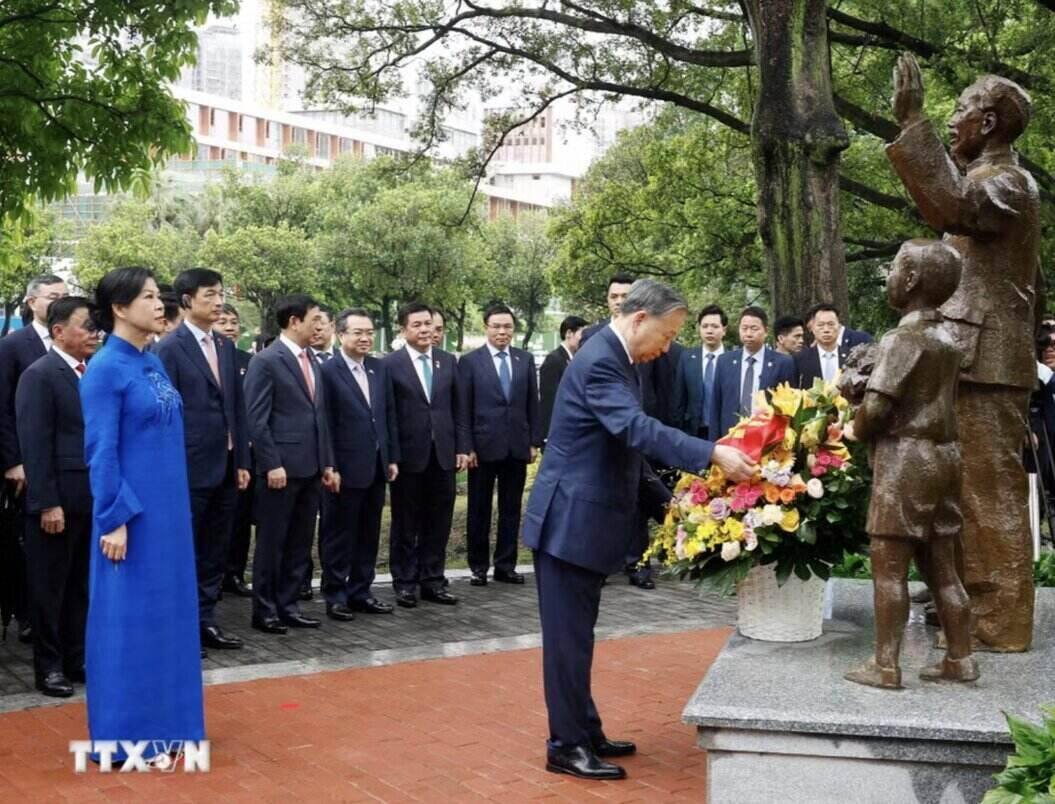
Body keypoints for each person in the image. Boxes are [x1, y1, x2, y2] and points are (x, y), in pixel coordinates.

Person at [523, 279, 756, 781]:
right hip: (568, 524)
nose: (667, 347)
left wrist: (668, 503)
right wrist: (710, 453)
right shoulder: (603, 360)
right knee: (568, 642)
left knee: (577, 637)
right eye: (667, 335)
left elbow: (625, 448)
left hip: (583, 522)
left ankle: (583, 728)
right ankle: (565, 744)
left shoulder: (619, 357)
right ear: (639, 319)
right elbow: (636, 430)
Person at [889, 54, 1041, 651]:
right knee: (960, 490)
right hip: (970, 356)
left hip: (990, 363)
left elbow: (953, 208)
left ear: (990, 124)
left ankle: (1001, 621)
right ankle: (970, 600)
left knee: (987, 489)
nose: (952, 122)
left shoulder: (1007, 184)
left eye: (960, 113)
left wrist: (913, 125)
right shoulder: (986, 179)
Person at [80, 266, 203, 763]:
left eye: (160, 296)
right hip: (130, 519)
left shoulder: (152, 362)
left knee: (168, 620)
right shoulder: (106, 368)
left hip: (169, 516)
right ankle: (125, 735)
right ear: (118, 307)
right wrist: (112, 517)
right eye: (149, 297)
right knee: (127, 625)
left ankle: (170, 727)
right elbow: (101, 451)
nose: (160, 304)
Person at [843, 239, 977, 689]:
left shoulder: (903, 338)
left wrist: (854, 430)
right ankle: (961, 657)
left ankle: (885, 666)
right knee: (942, 564)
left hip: (907, 459)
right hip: (946, 457)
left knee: (889, 565)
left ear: (913, 279)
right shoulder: (949, 338)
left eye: (896, 269)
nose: (892, 278)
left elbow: (878, 407)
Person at [156, 269, 251, 651]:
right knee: (185, 550)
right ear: (187, 301)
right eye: (209, 295)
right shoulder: (170, 348)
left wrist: (242, 458)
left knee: (215, 549)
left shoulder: (225, 347)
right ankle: (178, 627)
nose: (218, 302)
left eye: (221, 294)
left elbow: (237, 409)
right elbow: (166, 415)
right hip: (189, 467)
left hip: (226, 465)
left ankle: (206, 619)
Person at [15, 297, 96, 697]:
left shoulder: (92, 373)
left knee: (81, 586)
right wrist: (47, 502)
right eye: (86, 326)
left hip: (90, 499)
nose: (94, 333)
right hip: (56, 503)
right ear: (60, 331)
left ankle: (75, 658)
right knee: (49, 590)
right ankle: (48, 668)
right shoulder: (40, 375)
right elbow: (35, 445)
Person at [244, 294, 338, 634]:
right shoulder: (266, 361)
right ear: (294, 321)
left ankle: (289, 604)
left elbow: (320, 417)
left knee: (300, 542)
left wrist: (327, 462)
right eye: (314, 319)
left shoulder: (313, 361)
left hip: (311, 467)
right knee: (272, 542)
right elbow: (256, 419)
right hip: (280, 471)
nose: (319, 326)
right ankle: (265, 609)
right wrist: (271, 463)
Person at [383, 302, 469, 608]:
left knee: (439, 520)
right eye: (417, 325)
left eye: (428, 324)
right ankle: (405, 581)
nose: (424, 330)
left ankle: (433, 579)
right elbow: (388, 415)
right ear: (404, 329)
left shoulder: (447, 361)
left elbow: (459, 409)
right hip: (408, 455)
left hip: (443, 454)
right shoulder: (389, 364)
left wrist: (462, 446)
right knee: (406, 522)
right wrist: (391, 455)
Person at [0, 273, 69, 644]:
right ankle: (28, 612)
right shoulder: (14, 346)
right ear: (32, 302)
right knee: (28, 543)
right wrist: (13, 461)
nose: (60, 301)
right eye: (53, 296)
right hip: (27, 464)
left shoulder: (77, 346)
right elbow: (3, 409)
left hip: (68, 463)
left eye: (65, 295)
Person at [319, 309, 399, 620]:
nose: (365, 338)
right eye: (357, 332)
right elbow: (324, 423)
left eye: (369, 332)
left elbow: (387, 415)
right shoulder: (327, 371)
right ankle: (335, 594)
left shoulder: (379, 369)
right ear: (340, 335)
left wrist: (391, 457)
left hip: (376, 464)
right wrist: (330, 465)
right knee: (339, 533)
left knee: (368, 533)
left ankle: (361, 591)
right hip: (343, 468)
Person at [459, 303, 542, 586]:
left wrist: (533, 441)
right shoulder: (470, 362)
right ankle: (478, 567)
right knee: (479, 508)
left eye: (507, 326)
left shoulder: (525, 359)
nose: (502, 332)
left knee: (511, 508)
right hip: (482, 448)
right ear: (486, 327)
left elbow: (533, 402)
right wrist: (467, 446)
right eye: (496, 326)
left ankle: (505, 565)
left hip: (516, 446)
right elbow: (464, 408)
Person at [215, 304, 255, 597]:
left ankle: (235, 572)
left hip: (244, 451)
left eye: (233, 322)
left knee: (241, 517)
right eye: (223, 321)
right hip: (213, 452)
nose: (229, 327)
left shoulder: (248, 360)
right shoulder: (206, 358)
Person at [709, 307, 796, 439]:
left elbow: (790, 405)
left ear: (766, 331)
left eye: (754, 329)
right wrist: (714, 444)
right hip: (731, 437)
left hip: (767, 438)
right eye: (744, 328)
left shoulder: (783, 363)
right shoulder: (724, 361)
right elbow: (716, 405)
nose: (748, 333)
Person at [302, 305, 336, 600]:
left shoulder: (345, 363)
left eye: (321, 324)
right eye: (312, 323)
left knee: (332, 524)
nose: (317, 330)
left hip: (338, 458)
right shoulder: (302, 361)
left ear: (332, 327)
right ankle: (301, 578)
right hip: (305, 457)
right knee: (302, 524)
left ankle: (331, 578)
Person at [673, 304, 728, 438]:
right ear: (699, 329)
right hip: (694, 432)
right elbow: (679, 399)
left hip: (725, 432)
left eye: (715, 326)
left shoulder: (732, 360)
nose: (709, 331)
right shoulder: (687, 358)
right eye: (705, 326)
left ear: (724, 330)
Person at [539, 315, 587, 443]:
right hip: (558, 433)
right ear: (569, 333)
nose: (584, 339)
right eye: (582, 334)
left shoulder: (575, 359)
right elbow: (549, 401)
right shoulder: (554, 360)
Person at [795, 304, 857, 388]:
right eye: (820, 325)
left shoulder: (852, 358)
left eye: (831, 324)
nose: (826, 330)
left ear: (839, 327)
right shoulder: (799, 359)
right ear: (812, 328)